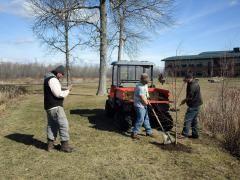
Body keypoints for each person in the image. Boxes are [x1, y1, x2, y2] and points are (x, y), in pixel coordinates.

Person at [44, 65, 74, 152]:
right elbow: (58, 94)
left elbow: (55, 89)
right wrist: (68, 90)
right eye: (62, 74)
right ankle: (64, 146)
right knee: (63, 125)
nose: (62, 76)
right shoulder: (53, 79)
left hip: (49, 106)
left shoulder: (48, 78)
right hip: (55, 106)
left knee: (52, 125)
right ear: (58, 73)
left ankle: (50, 146)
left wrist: (65, 88)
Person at [180, 73, 203, 139]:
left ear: (189, 78)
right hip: (197, 104)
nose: (185, 80)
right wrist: (185, 82)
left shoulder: (193, 85)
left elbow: (190, 96)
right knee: (194, 120)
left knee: (187, 119)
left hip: (193, 105)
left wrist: (184, 101)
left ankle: (184, 135)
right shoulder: (191, 82)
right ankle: (195, 134)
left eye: (186, 79)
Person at [131, 73, 154, 139]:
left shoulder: (145, 85)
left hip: (144, 103)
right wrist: (147, 104)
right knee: (140, 118)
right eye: (145, 81)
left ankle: (149, 132)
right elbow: (142, 97)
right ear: (142, 80)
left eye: (147, 82)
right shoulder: (139, 87)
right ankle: (134, 133)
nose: (146, 83)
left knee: (146, 118)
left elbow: (146, 93)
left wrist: (148, 98)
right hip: (139, 105)